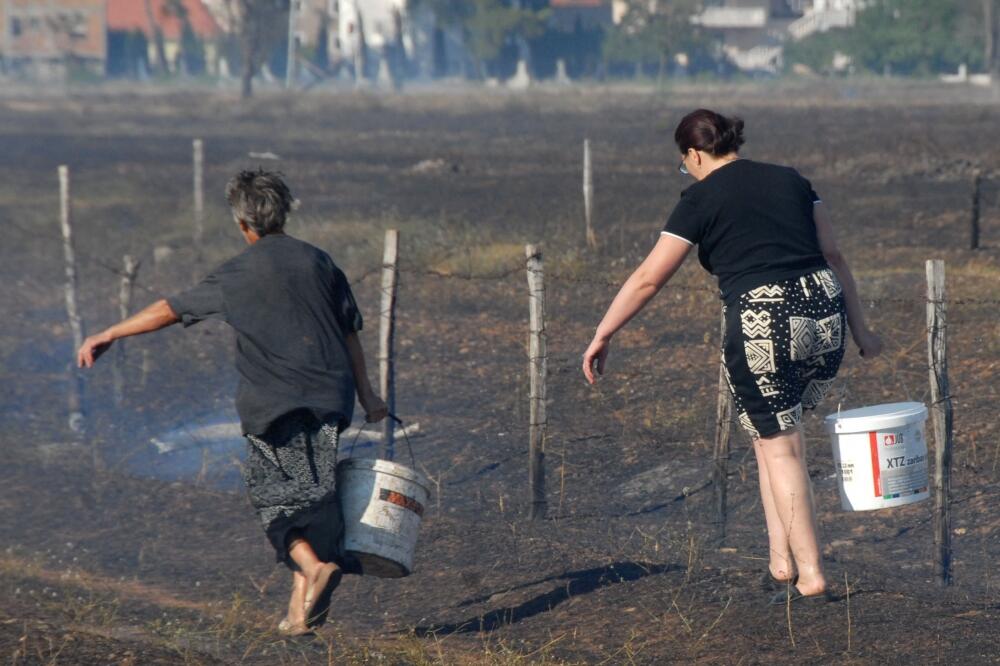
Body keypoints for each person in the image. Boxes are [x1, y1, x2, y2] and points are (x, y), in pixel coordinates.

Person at [581, 109, 882, 601]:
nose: (689, 171)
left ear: (694, 154)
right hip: (824, 315)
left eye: (686, 164)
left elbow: (649, 278)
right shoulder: (792, 180)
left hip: (763, 321)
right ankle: (780, 564)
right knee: (775, 441)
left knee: (779, 447)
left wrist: (604, 332)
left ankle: (811, 576)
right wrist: (862, 329)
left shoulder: (699, 197)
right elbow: (833, 255)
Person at [77, 169, 387, 634]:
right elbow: (349, 333)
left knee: (273, 499)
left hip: (275, 401)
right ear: (283, 212)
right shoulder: (320, 262)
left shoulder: (239, 271)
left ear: (243, 224)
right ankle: (299, 613)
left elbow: (169, 309)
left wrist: (111, 332)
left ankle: (313, 567)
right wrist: (368, 395)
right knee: (314, 494)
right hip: (330, 397)